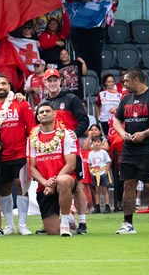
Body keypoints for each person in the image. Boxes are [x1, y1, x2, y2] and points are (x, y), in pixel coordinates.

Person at [110, 68, 149, 235]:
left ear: (137, 80)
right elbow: (116, 119)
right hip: (129, 147)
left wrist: (144, 134)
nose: (124, 84)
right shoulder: (126, 99)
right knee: (128, 183)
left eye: (126, 81)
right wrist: (123, 133)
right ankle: (127, 223)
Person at [0, 75, 35, 236]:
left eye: (3, 84)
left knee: (21, 186)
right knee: (4, 188)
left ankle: (22, 224)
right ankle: (9, 225)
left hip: (19, 152)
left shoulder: (20, 102)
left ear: (9, 86)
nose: (0, 87)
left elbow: (32, 128)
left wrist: (33, 153)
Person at [42, 68, 90, 233]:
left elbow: (84, 120)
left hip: (71, 150)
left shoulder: (71, 98)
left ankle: (82, 222)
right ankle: (60, 220)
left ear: (60, 82)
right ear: (45, 83)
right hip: (51, 152)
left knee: (77, 186)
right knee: (54, 183)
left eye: (55, 80)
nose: (53, 83)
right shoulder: (45, 102)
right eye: (49, 80)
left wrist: (74, 135)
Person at [28, 101, 77, 236]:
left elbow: (71, 164)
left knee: (64, 180)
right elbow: (31, 168)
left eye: (47, 111)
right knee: (53, 231)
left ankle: (66, 223)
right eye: (41, 112)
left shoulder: (66, 134)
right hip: (45, 186)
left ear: (54, 114)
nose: (44, 114)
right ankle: (70, 218)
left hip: (63, 180)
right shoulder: (32, 138)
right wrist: (45, 183)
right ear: (37, 117)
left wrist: (53, 183)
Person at [87, 136, 112, 214]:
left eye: (98, 142)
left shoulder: (103, 152)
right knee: (97, 190)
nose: (96, 143)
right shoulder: (90, 153)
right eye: (95, 142)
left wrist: (106, 171)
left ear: (101, 143)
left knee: (105, 189)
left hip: (102, 172)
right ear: (92, 143)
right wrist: (90, 171)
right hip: (95, 173)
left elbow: (108, 161)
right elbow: (89, 163)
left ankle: (107, 206)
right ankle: (97, 206)